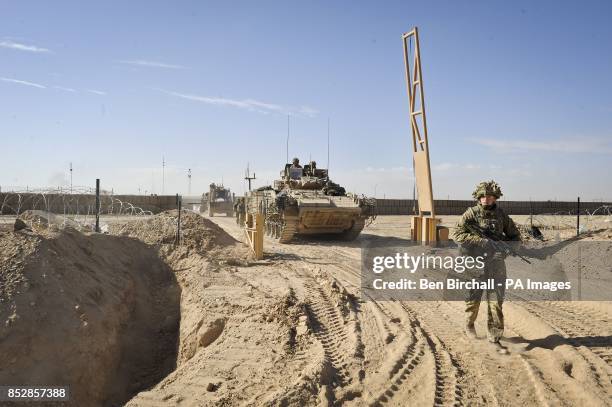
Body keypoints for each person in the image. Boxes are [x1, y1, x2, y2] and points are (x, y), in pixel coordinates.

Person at [453, 180, 520, 354]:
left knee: (496, 302)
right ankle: (469, 325)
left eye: (490, 196)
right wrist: (481, 241)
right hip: (475, 263)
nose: (486, 199)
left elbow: (514, 236)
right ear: (478, 197)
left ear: (495, 198)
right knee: (472, 299)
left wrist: (506, 250)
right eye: (483, 196)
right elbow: (457, 234)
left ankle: (494, 337)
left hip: (496, 264)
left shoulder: (501, 215)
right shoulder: (471, 214)